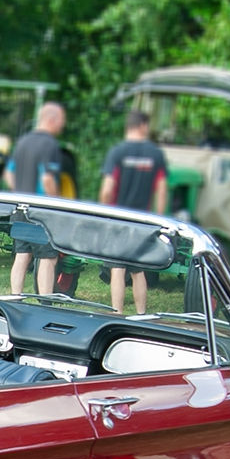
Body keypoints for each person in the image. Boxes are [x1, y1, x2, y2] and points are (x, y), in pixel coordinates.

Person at [98, 109, 169, 314]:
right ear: (143, 126)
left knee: (117, 270)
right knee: (138, 271)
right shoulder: (155, 154)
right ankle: (141, 314)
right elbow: (162, 189)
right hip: (142, 220)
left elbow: (107, 189)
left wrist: (105, 211)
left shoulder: (117, 152)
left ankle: (117, 313)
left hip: (118, 219)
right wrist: (160, 218)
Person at [4, 102, 66, 294]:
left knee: (22, 255)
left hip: (19, 209)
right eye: (61, 122)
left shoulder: (23, 142)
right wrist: (56, 203)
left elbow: (8, 173)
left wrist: (19, 192)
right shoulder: (50, 145)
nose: (62, 127)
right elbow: (47, 178)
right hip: (40, 213)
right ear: (51, 119)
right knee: (48, 258)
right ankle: (45, 302)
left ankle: (15, 297)